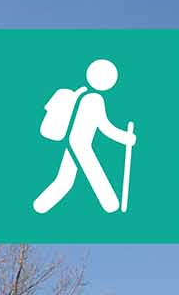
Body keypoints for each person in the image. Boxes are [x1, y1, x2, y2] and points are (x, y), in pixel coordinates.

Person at [34, 58, 136, 214]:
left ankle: (40, 206)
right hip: (80, 144)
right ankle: (111, 206)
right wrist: (126, 138)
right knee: (93, 174)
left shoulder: (79, 93)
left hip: (70, 141)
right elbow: (105, 127)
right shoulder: (95, 99)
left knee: (65, 179)